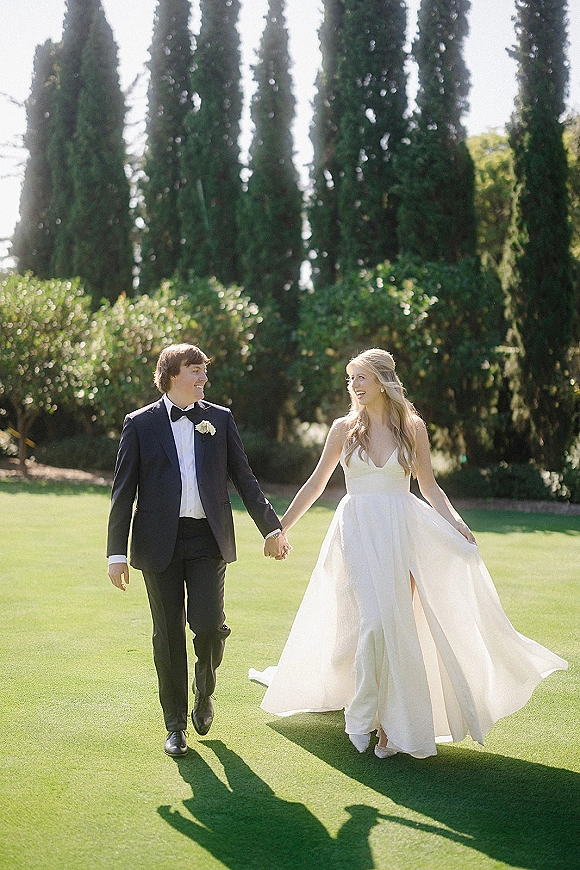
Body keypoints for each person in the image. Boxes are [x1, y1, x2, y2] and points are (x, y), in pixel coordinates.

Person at [255, 348, 567, 759]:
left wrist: (456, 523)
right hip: (358, 532)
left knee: (397, 626)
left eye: (361, 378)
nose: (354, 387)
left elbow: (429, 486)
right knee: (374, 623)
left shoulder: (411, 428)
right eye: (351, 380)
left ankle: (389, 723)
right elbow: (316, 484)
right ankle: (361, 716)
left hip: (403, 532)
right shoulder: (343, 429)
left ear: (383, 381)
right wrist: (279, 529)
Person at [107, 343, 290, 757]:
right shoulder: (139, 424)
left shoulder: (220, 420)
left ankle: (204, 690)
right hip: (158, 543)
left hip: (208, 539)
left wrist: (272, 528)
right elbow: (123, 492)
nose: (204, 379)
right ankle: (174, 726)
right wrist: (115, 553)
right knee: (167, 634)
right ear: (172, 374)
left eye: (204, 371)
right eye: (196, 371)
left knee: (208, 626)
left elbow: (245, 479)